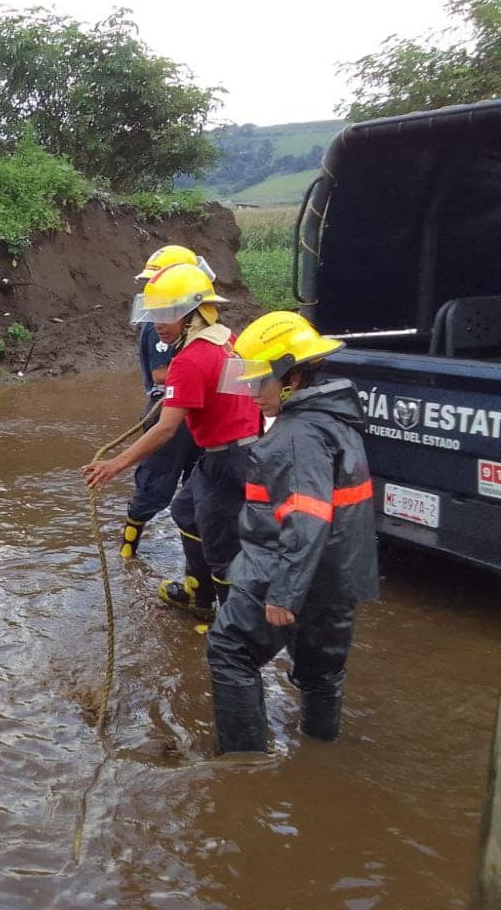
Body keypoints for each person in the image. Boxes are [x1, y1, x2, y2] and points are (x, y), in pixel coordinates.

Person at [205, 311, 378, 753]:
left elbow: (306, 519)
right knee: (322, 672)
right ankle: (320, 751)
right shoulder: (335, 418)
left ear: (292, 377)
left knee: (230, 651)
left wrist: (284, 592)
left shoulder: (296, 435)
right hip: (336, 575)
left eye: (259, 382)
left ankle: (244, 764)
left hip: (282, 568)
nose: (250, 394)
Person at [82, 259, 260, 620]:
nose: (157, 324)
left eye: (167, 314)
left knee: (223, 545)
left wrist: (114, 464)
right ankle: (198, 592)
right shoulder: (228, 340)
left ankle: (232, 624)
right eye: (155, 313)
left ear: (194, 313)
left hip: (229, 460)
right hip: (235, 452)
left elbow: (165, 429)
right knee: (185, 511)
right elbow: (248, 396)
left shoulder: (191, 359)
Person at [120, 246, 204, 561]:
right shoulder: (160, 322)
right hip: (168, 411)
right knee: (154, 485)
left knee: (197, 488)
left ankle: (195, 564)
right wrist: (201, 372)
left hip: (195, 413)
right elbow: (159, 374)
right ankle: (128, 548)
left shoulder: (195, 323)